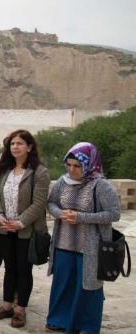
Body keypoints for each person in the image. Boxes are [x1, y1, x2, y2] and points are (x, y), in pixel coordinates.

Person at [45, 142, 120, 334]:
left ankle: (86, 326)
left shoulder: (100, 185)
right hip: (64, 243)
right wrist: (60, 214)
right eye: (68, 165)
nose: (72, 170)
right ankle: (58, 320)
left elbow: (114, 214)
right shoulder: (63, 182)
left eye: (77, 166)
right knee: (63, 284)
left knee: (87, 288)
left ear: (89, 165)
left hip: (89, 247)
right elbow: (51, 203)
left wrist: (81, 217)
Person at [0, 130, 49, 328]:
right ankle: (7, 305)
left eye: (20, 143)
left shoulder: (39, 172)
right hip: (4, 227)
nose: (15, 147)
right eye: (13, 143)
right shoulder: (4, 169)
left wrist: (20, 222)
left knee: (24, 269)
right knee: (9, 268)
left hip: (25, 230)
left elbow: (39, 203)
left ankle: (20, 309)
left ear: (29, 147)